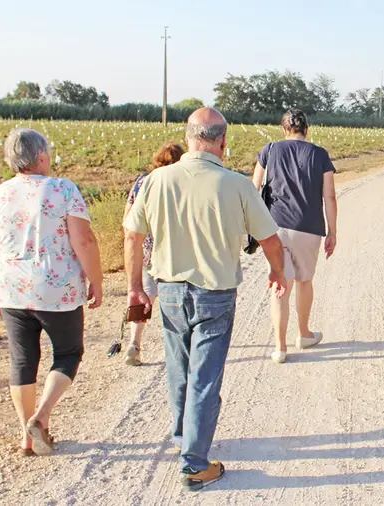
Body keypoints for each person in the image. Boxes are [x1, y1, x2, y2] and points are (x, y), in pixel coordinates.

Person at [124, 108, 287, 491]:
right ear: (222, 142)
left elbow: (132, 236)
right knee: (205, 378)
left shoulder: (155, 181)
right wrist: (277, 272)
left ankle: (184, 437)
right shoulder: (236, 185)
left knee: (179, 370)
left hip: (169, 291)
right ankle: (195, 464)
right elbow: (270, 239)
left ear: (189, 136)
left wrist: (135, 286)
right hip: (215, 294)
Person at [0, 128, 104, 457]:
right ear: (42, 156)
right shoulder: (62, 189)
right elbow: (83, 241)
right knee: (69, 353)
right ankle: (41, 417)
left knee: (23, 359)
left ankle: (25, 437)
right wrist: (96, 280)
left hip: (10, 288)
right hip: (56, 287)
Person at [251, 109, 338, 364]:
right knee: (304, 281)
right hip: (308, 227)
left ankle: (280, 347)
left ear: (283, 130)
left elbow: (254, 188)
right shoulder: (320, 155)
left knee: (280, 285)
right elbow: (329, 196)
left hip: (274, 227)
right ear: (306, 130)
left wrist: (253, 228)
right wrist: (332, 231)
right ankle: (304, 334)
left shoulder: (269, 150)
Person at [122, 141, 185, 366]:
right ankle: (179, 347)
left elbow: (127, 218)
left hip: (146, 250)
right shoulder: (182, 183)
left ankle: (134, 342)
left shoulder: (143, 183)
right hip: (173, 250)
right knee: (177, 300)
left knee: (143, 295)